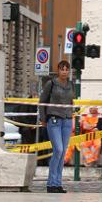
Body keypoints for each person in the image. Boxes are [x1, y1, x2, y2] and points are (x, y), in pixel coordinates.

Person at [38, 61, 75, 193]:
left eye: (67, 69)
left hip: (67, 120)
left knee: (63, 152)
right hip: (53, 120)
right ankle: (51, 183)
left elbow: (71, 101)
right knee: (58, 150)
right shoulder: (51, 84)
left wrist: (73, 112)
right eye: (62, 69)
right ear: (58, 70)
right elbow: (42, 102)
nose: (64, 71)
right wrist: (43, 119)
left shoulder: (71, 85)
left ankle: (58, 183)